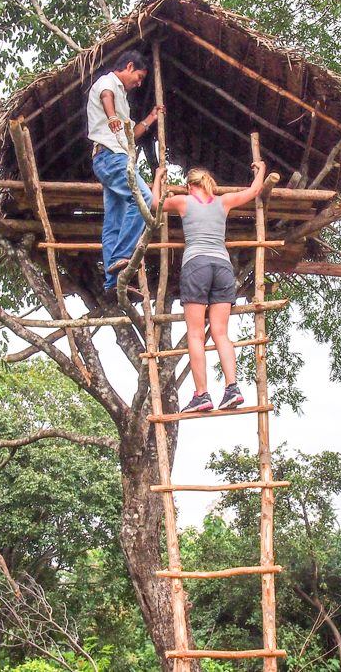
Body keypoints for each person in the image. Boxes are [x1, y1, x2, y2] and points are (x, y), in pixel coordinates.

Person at [153, 160, 267, 413]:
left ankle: (202, 394)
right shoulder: (223, 201)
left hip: (197, 265)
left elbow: (154, 203)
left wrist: (159, 177)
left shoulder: (184, 202)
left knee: (195, 334)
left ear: (189, 185)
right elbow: (253, 191)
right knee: (221, 332)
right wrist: (261, 171)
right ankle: (232, 388)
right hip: (223, 267)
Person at [87, 50, 165, 303]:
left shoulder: (121, 97)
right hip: (111, 157)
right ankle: (122, 256)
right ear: (129, 66)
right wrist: (111, 116)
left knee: (114, 221)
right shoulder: (108, 82)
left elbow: (132, 132)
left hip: (108, 158)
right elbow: (105, 95)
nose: (139, 83)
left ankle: (112, 284)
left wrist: (152, 118)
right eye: (139, 77)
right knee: (143, 197)